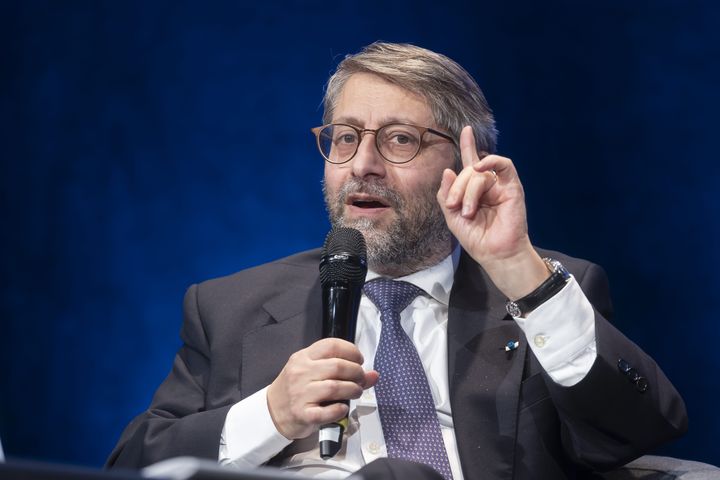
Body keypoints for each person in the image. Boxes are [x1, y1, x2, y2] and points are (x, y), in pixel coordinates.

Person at [107, 42, 687, 480]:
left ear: (464, 164)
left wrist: (517, 269)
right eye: (345, 138)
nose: (362, 164)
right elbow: (134, 463)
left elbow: (635, 432)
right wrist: (272, 413)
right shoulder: (229, 307)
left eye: (399, 140)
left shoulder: (543, 288)